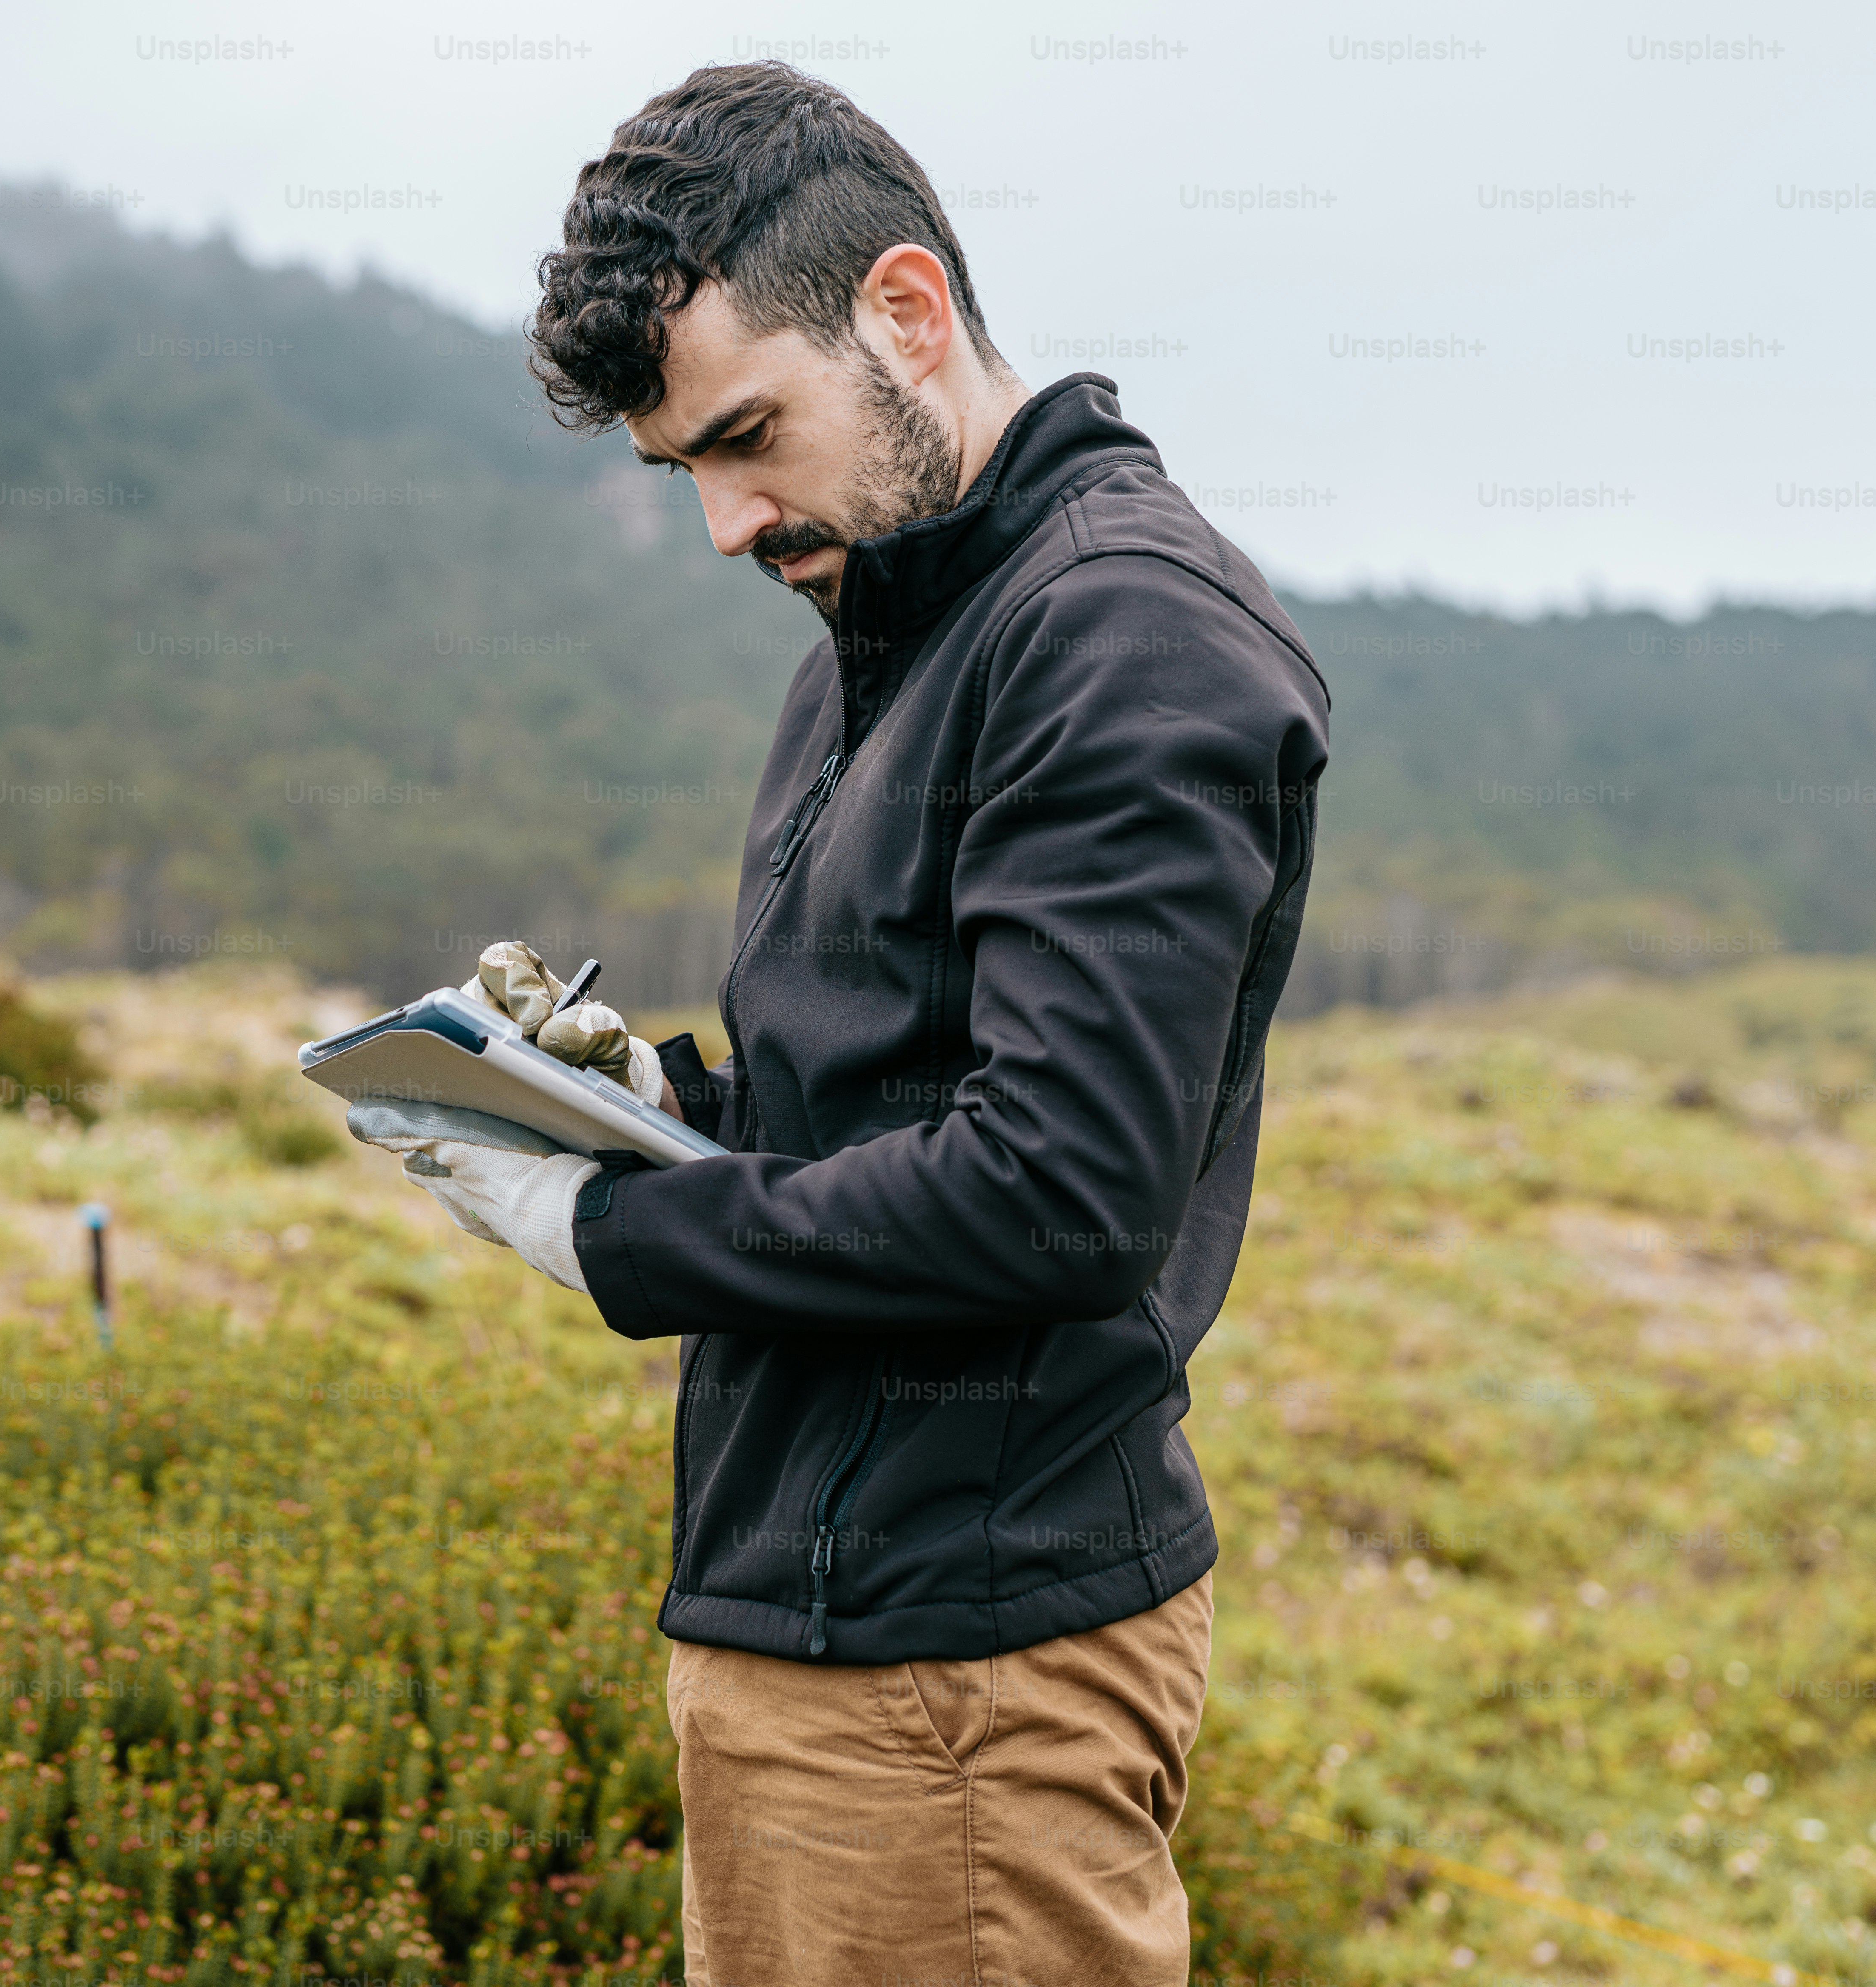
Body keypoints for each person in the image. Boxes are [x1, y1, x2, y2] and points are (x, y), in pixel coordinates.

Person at [349, 60, 1330, 1987]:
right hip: (825, 1642)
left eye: (745, 437)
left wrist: (613, 1230)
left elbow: (1057, 1193)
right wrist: (643, 1103)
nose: (726, 523)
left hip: (958, 1679)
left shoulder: (1128, 638)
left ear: (905, 311)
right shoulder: (883, 637)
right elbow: (879, 1096)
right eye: (681, 472)